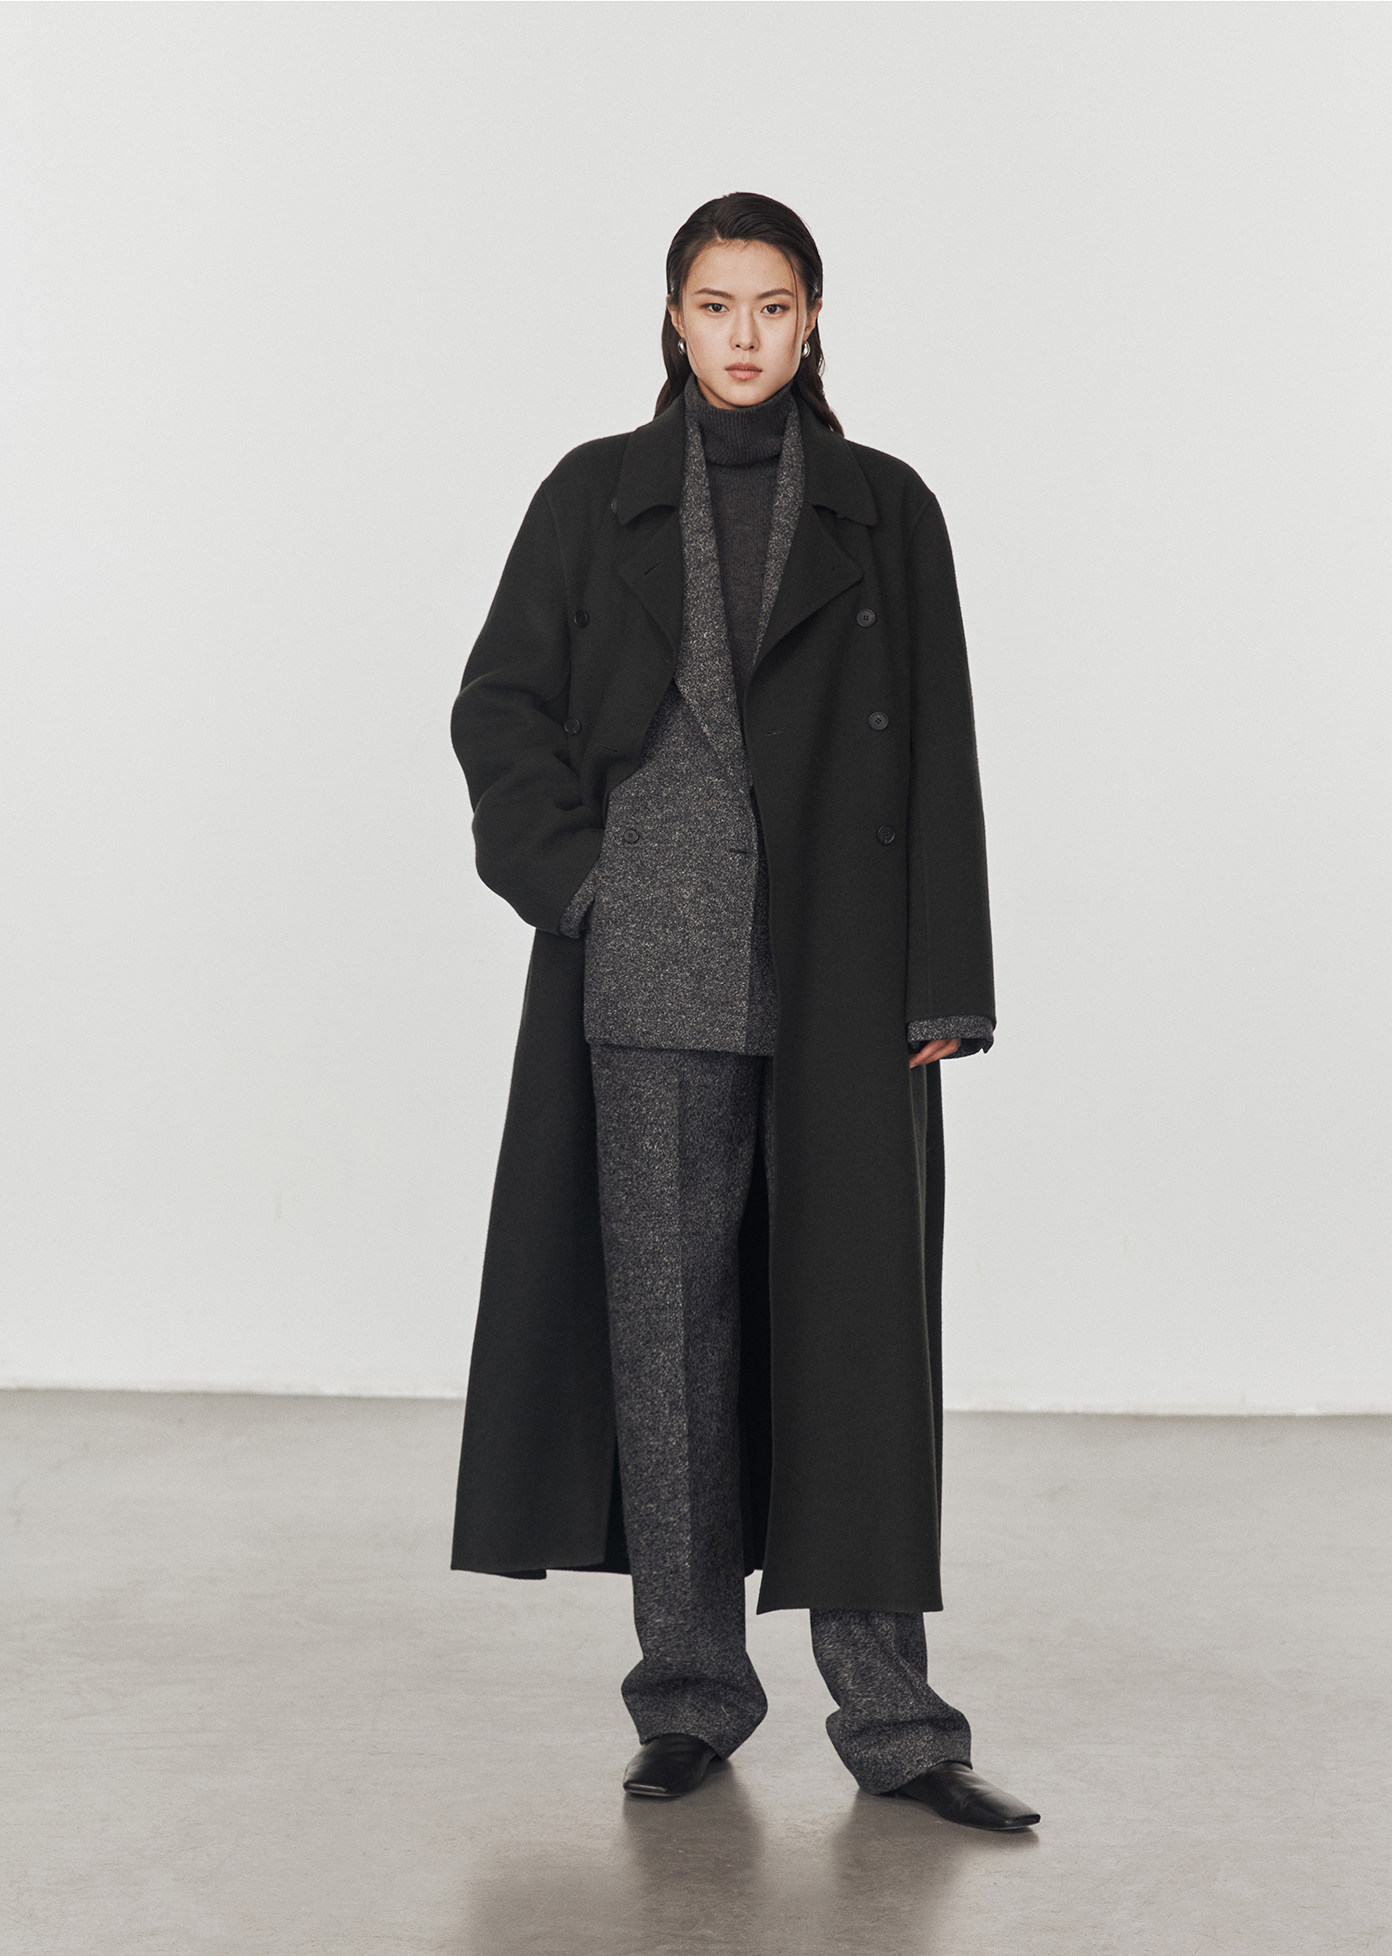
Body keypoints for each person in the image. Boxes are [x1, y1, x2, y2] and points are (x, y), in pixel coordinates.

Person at [449, 191, 1038, 1834]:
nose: (745, 336)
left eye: (773, 307)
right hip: (650, 966)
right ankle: (692, 1698)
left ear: (813, 319)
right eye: (717, 306)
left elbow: (942, 742)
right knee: (670, 1348)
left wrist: (948, 975)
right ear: (674, 317)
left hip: (845, 971)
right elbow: (499, 706)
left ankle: (900, 1730)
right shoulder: (594, 495)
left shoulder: (885, 507)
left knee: (857, 1353)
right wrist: (581, 884)